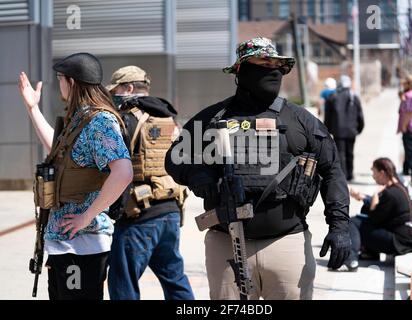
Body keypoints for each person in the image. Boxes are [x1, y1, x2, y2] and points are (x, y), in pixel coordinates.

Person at [165, 37, 351, 300]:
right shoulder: (212, 119)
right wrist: (199, 174)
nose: (273, 69)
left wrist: (340, 225)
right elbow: (174, 157)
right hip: (226, 244)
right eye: (263, 63)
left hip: (287, 243)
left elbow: (332, 170)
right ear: (241, 70)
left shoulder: (300, 120)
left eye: (277, 65)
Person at [18, 53, 133, 299]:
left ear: (71, 81)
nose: (58, 84)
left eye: (60, 78)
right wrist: (32, 109)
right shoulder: (80, 118)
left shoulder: (99, 121)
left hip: (83, 244)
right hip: (66, 244)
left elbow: (123, 172)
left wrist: (86, 216)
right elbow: (58, 149)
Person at [106, 66, 194, 300]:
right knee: (174, 278)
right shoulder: (168, 117)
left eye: (115, 90)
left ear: (129, 88)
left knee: (122, 283)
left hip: (139, 214)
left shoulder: (126, 119)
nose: (113, 96)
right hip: (171, 209)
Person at [347, 158, 412, 271]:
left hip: (399, 243)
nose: (373, 176)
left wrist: (374, 200)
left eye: (374, 172)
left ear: (382, 173)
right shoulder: (399, 187)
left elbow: (374, 219)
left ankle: (351, 259)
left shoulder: (390, 193)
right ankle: (369, 253)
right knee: (362, 219)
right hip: (405, 238)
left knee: (353, 222)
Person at [324, 75, 364, 181]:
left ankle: (342, 175)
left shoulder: (332, 97)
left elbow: (327, 116)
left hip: (338, 131)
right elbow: (360, 116)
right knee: (350, 152)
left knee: (340, 153)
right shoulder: (354, 97)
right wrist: (359, 129)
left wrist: (327, 129)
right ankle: (350, 174)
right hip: (352, 130)